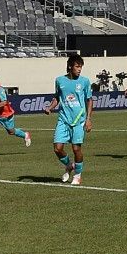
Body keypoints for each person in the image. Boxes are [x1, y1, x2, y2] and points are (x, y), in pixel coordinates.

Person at [46, 55, 92, 184]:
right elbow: (57, 98)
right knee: (57, 148)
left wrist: (88, 119)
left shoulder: (85, 81)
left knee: (76, 149)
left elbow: (89, 100)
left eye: (81, 67)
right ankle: (69, 165)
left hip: (79, 120)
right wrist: (50, 107)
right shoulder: (59, 80)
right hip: (63, 119)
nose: (79, 69)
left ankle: (77, 175)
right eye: (77, 66)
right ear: (70, 66)